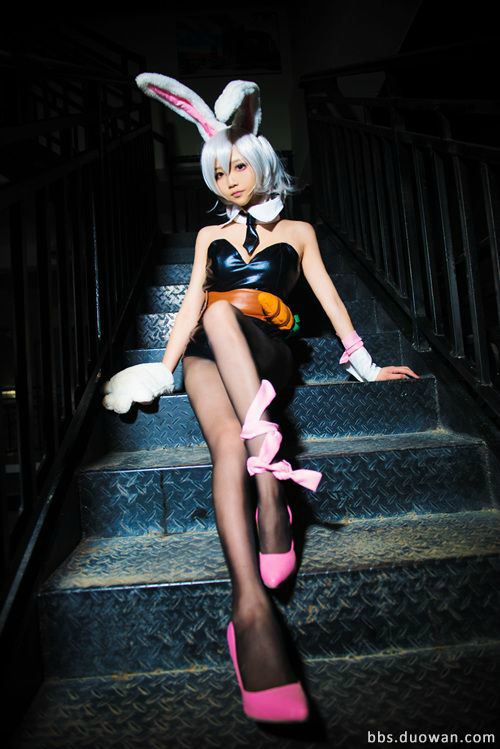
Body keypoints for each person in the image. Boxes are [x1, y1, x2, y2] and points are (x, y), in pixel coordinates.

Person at [101, 75, 420, 724]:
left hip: (267, 347)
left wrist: (365, 365)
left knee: (224, 318)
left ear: (262, 161)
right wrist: (163, 369)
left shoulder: (298, 231)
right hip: (207, 356)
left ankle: (271, 495)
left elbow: (329, 297)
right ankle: (250, 605)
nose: (229, 180)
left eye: (239, 166)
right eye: (218, 172)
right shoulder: (207, 237)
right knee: (224, 435)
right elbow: (191, 305)